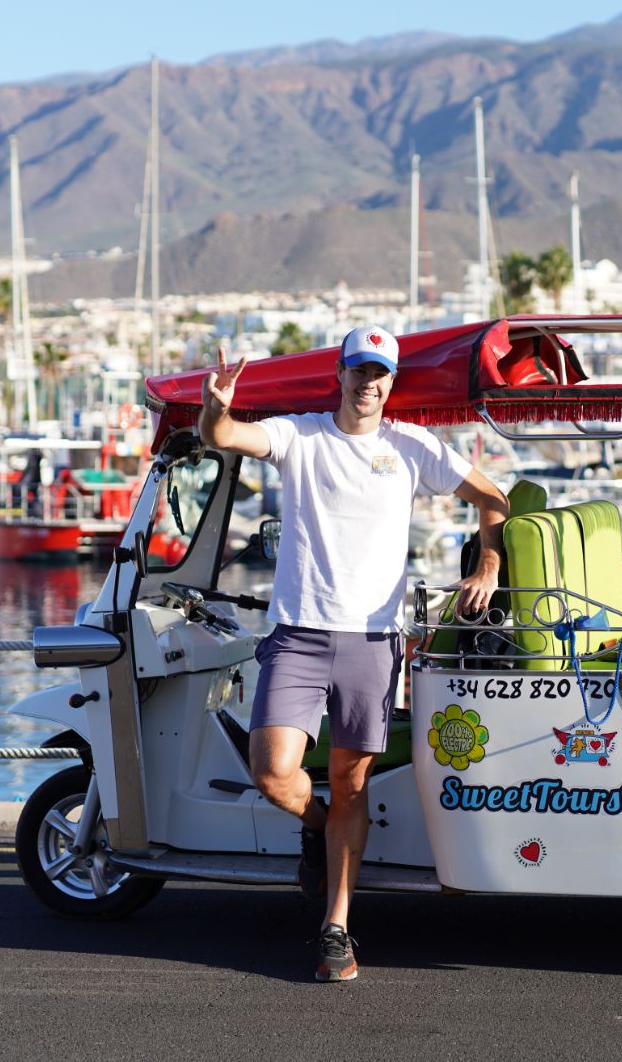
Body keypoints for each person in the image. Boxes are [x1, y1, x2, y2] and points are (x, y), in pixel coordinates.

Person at [198, 324, 507, 983]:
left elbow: (493, 499)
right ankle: (317, 826)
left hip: (373, 642)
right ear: (339, 375)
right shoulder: (299, 435)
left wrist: (488, 564)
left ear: (392, 383)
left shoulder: (412, 446)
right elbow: (223, 438)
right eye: (359, 370)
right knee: (272, 771)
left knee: (351, 783)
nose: (369, 382)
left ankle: (335, 927)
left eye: (380, 373)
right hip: (298, 634)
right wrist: (216, 408)